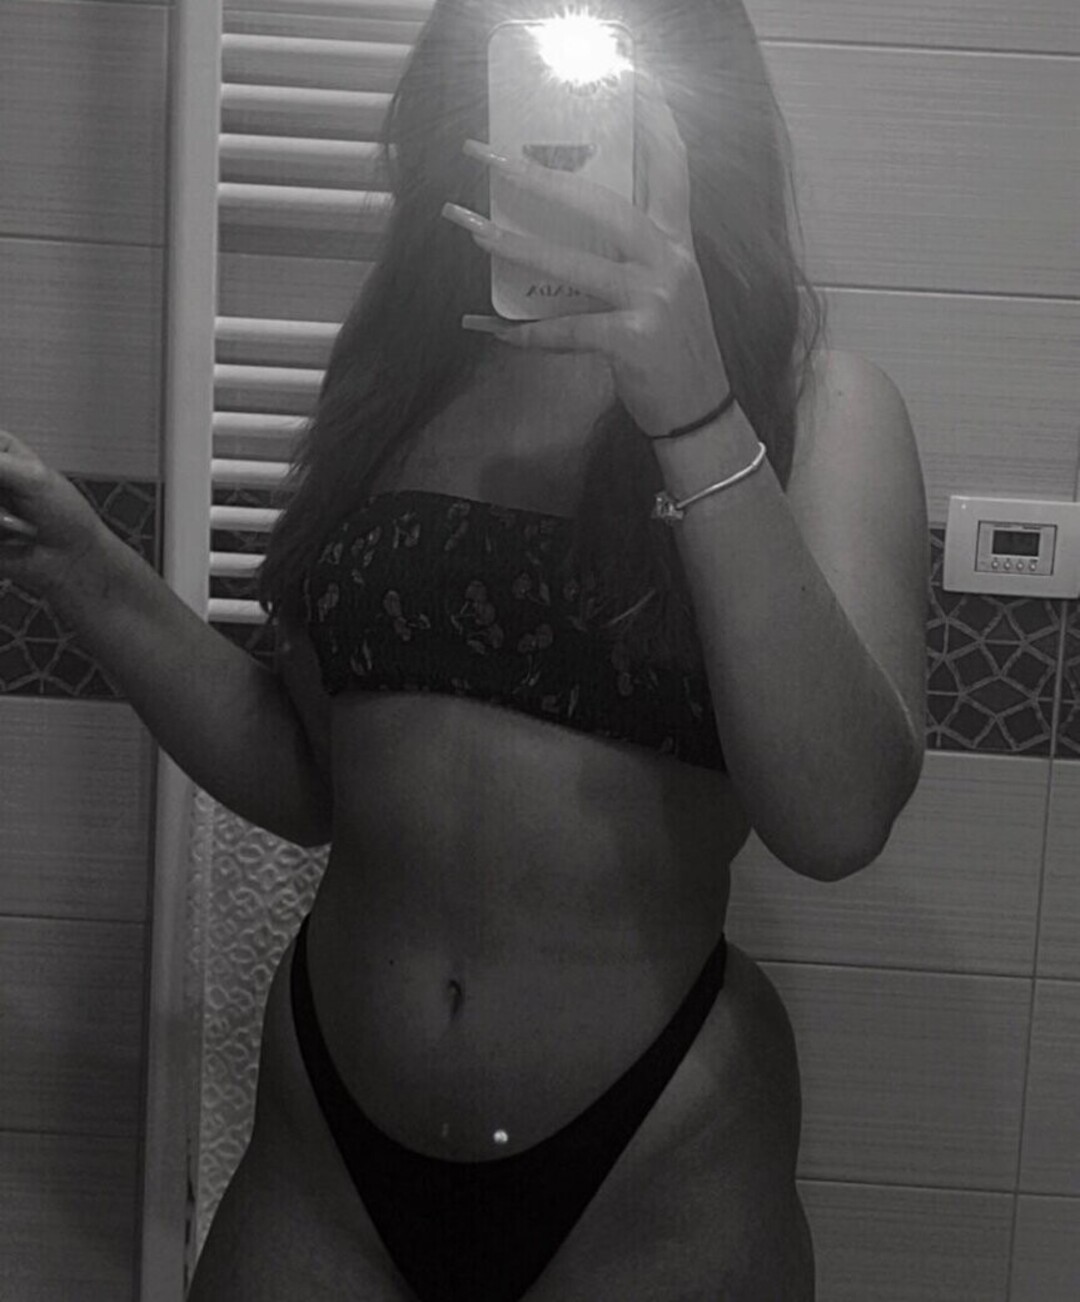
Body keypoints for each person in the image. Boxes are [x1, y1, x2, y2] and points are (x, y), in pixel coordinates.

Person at [0, 1, 928, 1297]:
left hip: (657, 1157)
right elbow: (312, 773)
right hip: (326, 1148)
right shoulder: (393, 383)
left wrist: (695, 411)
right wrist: (79, 566)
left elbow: (836, 818)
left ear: (691, 101)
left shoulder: (818, 405)